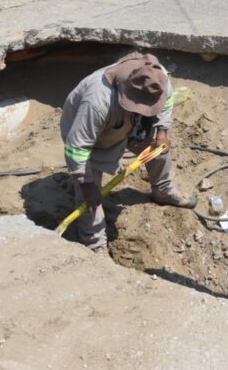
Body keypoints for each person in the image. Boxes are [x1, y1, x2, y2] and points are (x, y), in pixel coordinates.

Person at [60, 53, 196, 252]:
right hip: (91, 138)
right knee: (89, 197)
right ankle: (94, 244)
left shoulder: (158, 78)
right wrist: (86, 184)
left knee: (158, 150)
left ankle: (163, 191)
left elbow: (167, 102)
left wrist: (162, 131)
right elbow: (77, 148)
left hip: (130, 124)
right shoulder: (98, 101)